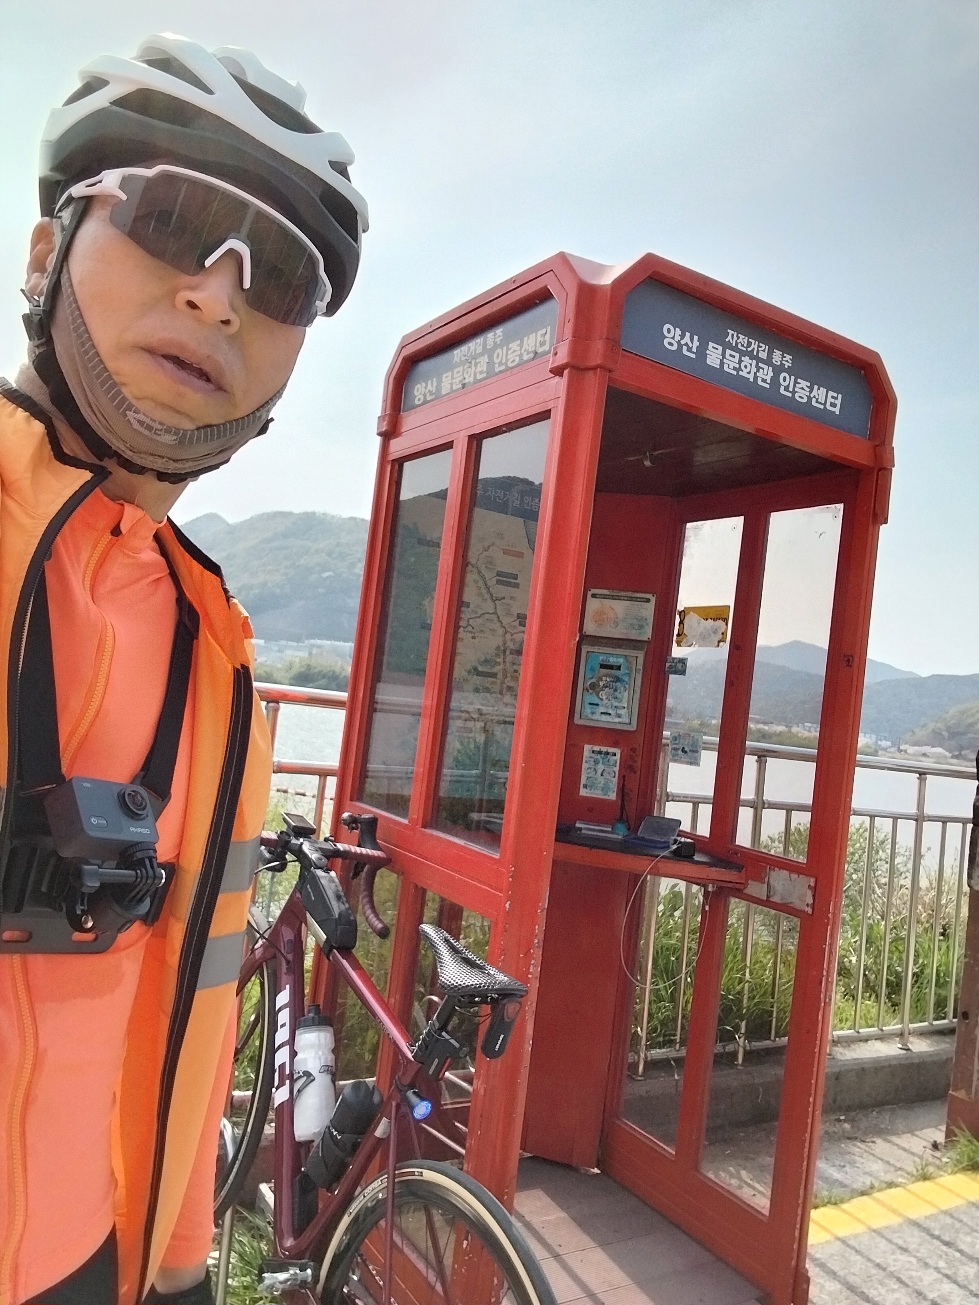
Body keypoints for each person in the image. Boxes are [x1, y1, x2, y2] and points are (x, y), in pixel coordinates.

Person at [0, 33, 367, 1305]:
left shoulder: (220, 651)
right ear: (44, 253)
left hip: (100, 1260)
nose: (219, 296)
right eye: (173, 218)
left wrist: (179, 1265)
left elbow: (195, 1007)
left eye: (283, 280)